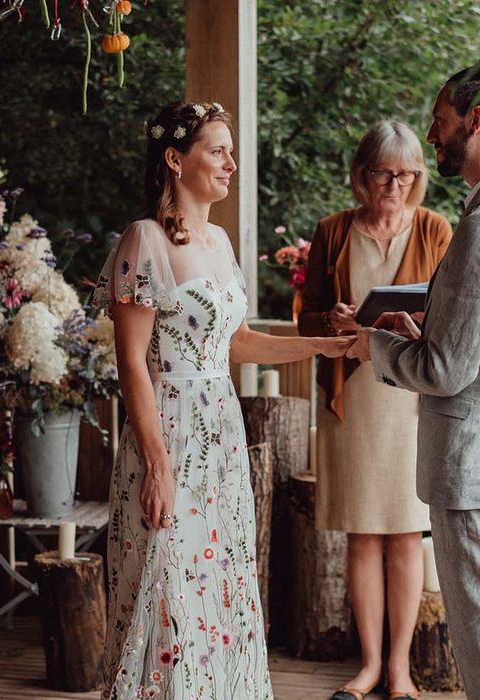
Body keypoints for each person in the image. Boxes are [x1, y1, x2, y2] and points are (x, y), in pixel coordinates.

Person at [92, 101, 354, 700]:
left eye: (230, 151)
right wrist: (158, 463)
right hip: (169, 431)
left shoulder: (219, 240)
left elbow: (237, 341)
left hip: (221, 438)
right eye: (217, 150)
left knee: (218, 582)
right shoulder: (146, 240)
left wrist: (323, 345)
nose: (231, 163)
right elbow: (131, 361)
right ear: (174, 160)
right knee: (166, 585)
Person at [347, 64, 480, 699]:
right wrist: (429, 335)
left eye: (440, 123)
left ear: (475, 122)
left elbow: (444, 372)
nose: (433, 137)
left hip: (476, 469)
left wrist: (371, 344)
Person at [298, 120, 452, 700]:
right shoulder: (332, 232)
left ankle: (400, 672)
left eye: (407, 174)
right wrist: (334, 320)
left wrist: (415, 323)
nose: (395, 184)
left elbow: (454, 311)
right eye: (384, 173)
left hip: (412, 398)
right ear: (362, 176)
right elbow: (306, 317)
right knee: (362, 534)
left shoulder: (437, 229)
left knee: (408, 533)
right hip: (355, 398)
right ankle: (366, 667)